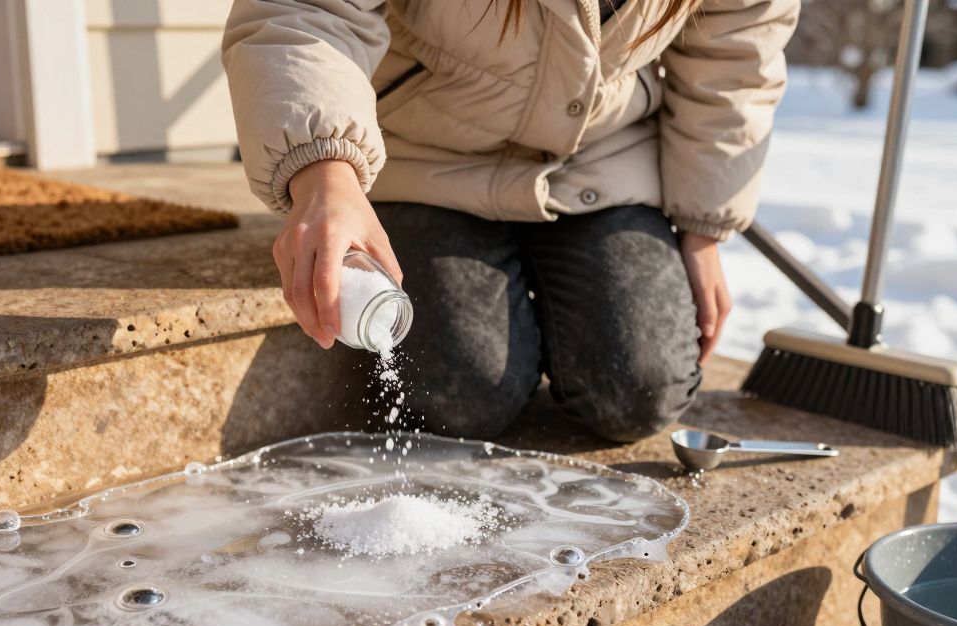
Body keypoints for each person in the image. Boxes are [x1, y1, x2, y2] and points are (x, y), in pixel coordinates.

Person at [222, 0, 799, 441]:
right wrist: (326, 173)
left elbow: (736, 56)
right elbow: (308, 11)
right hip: (426, 154)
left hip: (598, 157)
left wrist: (702, 227)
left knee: (639, 391)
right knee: (460, 397)